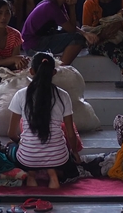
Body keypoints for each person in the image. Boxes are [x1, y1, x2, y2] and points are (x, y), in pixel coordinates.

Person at [6, 53, 82, 188]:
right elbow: (71, 134)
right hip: (59, 158)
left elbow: (11, 133)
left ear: (31, 71)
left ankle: (31, 173)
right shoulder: (63, 96)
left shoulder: (21, 95)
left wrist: (21, 142)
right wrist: (75, 152)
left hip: (27, 158)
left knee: (10, 148)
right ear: (54, 72)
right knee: (68, 165)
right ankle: (52, 172)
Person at [21, 0, 96, 66]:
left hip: (38, 39)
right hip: (33, 45)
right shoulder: (51, 7)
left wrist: (85, 33)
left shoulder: (55, 1)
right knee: (77, 39)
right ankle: (61, 68)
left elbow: (69, 25)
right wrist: (72, 7)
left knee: (79, 35)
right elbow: (71, 29)